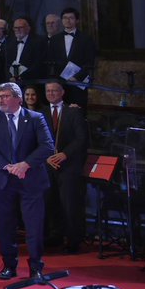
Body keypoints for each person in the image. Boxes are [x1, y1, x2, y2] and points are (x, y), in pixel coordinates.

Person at [0, 81, 55, 279]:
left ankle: (36, 267)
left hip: (30, 180)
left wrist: (25, 165)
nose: (1, 100)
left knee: (34, 226)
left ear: (18, 99)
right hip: (3, 180)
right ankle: (9, 265)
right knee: (6, 225)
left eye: (5, 96)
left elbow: (48, 146)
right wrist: (7, 166)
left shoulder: (35, 118)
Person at [41, 80, 88, 253]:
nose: (51, 94)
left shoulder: (73, 112)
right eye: (48, 91)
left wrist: (64, 154)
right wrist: (47, 158)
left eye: (54, 90)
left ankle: (74, 239)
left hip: (69, 166)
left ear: (62, 93)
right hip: (48, 165)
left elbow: (81, 139)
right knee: (50, 202)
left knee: (70, 204)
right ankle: (55, 235)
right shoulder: (41, 113)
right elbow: (37, 139)